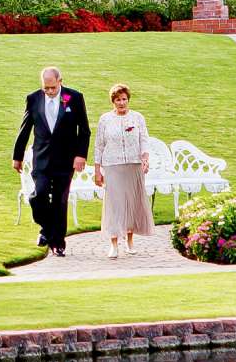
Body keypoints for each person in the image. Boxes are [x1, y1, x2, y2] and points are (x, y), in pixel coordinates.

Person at [12, 66, 90, 259]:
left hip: (66, 160)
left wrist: (80, 155)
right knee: (37, 196)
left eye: (52, 88)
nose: (49, 92)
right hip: (42, 159)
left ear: (60, 81)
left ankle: (58, 243)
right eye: (45, 88)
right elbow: (25, 128)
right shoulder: (33, 99)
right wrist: (17, 156)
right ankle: (46, 228)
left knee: (59, 201)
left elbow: (84, 130)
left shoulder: (75, 97)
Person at [92, 83, 154, 259]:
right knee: (115, 204)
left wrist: (145, 158)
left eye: (124, 99)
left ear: (128, 100)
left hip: (134, 165)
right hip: (112, 165)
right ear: (113, 101)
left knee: (132, 203)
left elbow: (144, 139)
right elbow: (99, 146)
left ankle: (129, 241)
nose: (121, 103)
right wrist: (97, 170)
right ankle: (113, 244)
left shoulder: (138, 118)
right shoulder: (105, 119)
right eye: (118, 99)